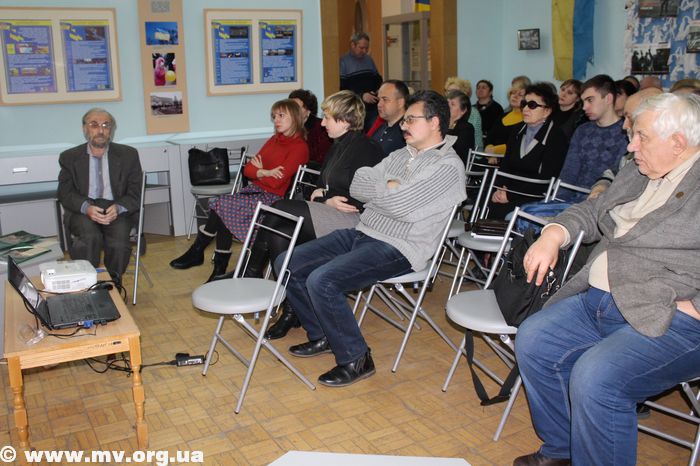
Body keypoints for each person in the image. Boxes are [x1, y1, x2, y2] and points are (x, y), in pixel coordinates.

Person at [513, 92, 700, 466]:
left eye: (641, 136)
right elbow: (594, 210)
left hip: (667, 317)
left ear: (678, 143)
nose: (630, 146)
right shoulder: (638, 170)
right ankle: (562, 450)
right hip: (598, 301)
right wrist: (554, 234)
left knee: (596, 379)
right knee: (534, 339)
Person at [278, 91, 466, 387]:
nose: (404, 126)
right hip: (364, 231)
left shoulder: (447, 167)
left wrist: (389, 191)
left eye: (411, 120)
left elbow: (402, 206)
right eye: (404, 120)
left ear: (434, 122)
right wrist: (391, 187)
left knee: (322, 280)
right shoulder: (401, 153)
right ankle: (323, 335)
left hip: (401, 246)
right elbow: (358, 183)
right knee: (287, 262)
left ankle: (357, 359)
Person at [239, 90, 384, 339]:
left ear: (344, 120)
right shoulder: (338, 145)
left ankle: (251, 272)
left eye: (327, 118)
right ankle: (290, 308)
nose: (323, 123)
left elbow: (361, 196)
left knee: (279, 207)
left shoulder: (366, 148)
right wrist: (324, 197)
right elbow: (317, 188)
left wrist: (324, 197)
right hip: (330, 212)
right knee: (279, 232)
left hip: (354, 221)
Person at [169, 99, 309, 281]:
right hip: (255, 192)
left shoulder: (299, 147)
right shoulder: (274, 140)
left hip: (272, 200)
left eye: (281, 116)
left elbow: (276, 183)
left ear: (295, 117)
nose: (276, 120)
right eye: (274, 116)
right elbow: (247, 170)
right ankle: (215, 266)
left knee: (222, 205)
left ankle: (201, 252)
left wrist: (259, 172)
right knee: (224, 208)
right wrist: (264, 172)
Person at [57, 108, 143, 287]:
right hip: (83, 209)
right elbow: (65, 193)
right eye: (94, 125)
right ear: (85, 129)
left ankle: (113, 284)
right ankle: (88, 285)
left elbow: (136, 192)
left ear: (112, 129)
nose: (101, 130)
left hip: (116, 209)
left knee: (119, 242)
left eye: (106, 125)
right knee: (89, 238)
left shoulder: (128, 155)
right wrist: (86, 208)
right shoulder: (69, 157)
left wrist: (119, 207)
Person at [487, 83, 569, 219]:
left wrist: (510, 195)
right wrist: (499, 188)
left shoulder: (556, 137)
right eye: (524, 104)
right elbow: (505, 165)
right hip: (507, 189)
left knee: (498, 212)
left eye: (532, 105)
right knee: (483, 200)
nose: (525, 109)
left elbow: (546, 179)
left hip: (532, 194)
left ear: (547, 111)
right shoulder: (517, 130)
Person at [556, 74, 628, 202]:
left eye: (590, 100)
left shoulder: (626, 133)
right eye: (583, 101)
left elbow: (617, 179)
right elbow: (569, 172)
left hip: (600, 202)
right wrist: (557, 201)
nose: (584, 107)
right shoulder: (582, 130)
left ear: (608, 99)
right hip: (571, 201)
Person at [340, 32, 382, 131]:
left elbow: (378, 79)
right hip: (355, 110)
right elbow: (343, 89)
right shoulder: (343, 62)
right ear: (352, 45)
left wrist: (376, 91)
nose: (364, 51)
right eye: (361, 48)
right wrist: (362, 96)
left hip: (372, 108)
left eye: (366, 48)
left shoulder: (369, 60)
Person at [288, 89, 332, 169]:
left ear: (308, 110)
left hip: (311, 172)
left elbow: (321, 159)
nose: (292, 111)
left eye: (297, 107)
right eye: (290, 107)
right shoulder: (286, 126)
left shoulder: (322, 127)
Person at [485, 81, 527, 156]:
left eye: (520, 95)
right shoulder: (503, 116)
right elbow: (489, 138)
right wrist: (491, 154)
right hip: (493, 157)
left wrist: (495, 151)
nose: (515, 96)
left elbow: (518, 144)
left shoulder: (527, 119)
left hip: (512, 159)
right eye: (513, 93)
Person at [367, 79, 408, 156]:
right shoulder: (380, 128)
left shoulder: (408, 131)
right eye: (379, 100)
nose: (379, 104)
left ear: (400, 103)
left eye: (385, 100)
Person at [444, 76, 483, 150]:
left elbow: (469, 141)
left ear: (463, 93)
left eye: (454, 91)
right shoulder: (443, 110)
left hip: (473, 152)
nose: (450, 93)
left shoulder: (473, 114)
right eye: (448, 91)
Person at [446, 90, 476, 165]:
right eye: (447, 103)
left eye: (452, 104)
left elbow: (460, 155)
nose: (447, 106)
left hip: (454, 165)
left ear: (463, 110)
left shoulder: (466, 128)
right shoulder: (440, 124)